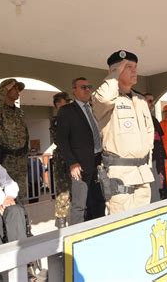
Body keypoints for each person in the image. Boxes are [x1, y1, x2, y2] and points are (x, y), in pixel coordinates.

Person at [92, 50, 155, 214]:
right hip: (120, 176)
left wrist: (147, 162)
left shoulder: (140, 100)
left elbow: (149, 133)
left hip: (142, 174)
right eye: (128, 67)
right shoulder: (105, 100)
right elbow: (104, 98)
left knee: (143, 222)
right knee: (122, 226)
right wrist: (114, 74)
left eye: (135, 67)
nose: (134, 70)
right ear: (115, 70)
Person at [56, 78, 105, 225]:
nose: (87, 90)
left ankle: (98, 229)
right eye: (83, 87)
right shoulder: (67, 111)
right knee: (79, 205)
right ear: (74, 90)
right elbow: (62, 140)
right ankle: (77, 236)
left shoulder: (93, 109)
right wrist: (72, 163)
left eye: (89, 87)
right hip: (80, 165)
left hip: (98, 162)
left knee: (98, 201)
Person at [0, 78, 29, 201]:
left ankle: (21, 218)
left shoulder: (18, 112)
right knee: (2, 193)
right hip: (4, 158)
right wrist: (4, 89)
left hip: (20, 158)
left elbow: (24, 132)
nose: (18, 91)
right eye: (15, 88)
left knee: (20, 193)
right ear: (5, 91)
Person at [49, 92, 72, 228]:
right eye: (65, 102)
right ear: (58, 104)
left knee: (77, 189)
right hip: (62, 158)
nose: (68, 104)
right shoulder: (56, 120)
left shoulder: (73, 117)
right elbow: (59, 139)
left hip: (74, 156)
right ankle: (61, 220)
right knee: (63, 190)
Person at [143, 93, 167, 202]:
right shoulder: (140, 118)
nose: (152, 104)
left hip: (158, 156)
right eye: (149, 101)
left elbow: (160, 139)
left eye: (152, 101)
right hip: (148, 158)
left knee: (158, 183)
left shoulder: (153, 119)